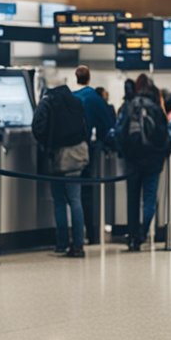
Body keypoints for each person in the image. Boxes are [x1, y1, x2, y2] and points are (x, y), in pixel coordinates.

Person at [32, 78, 89, 258]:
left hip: (58, 156)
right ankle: (78, 244)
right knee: (75, 200)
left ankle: (62, 243)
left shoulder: (48, 102)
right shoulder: (76, 101)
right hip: (78, 153)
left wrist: (47, 142)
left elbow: (37, 128)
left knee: (59, 201)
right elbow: (85, 126)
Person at [116, 74, 171, 251]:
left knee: (132, 199)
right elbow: (164, 135)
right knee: (149, 199)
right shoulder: (156, 107)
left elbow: (120, 132)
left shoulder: (129, 106)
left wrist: (123, 152)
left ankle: (132, 238)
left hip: (132, 160)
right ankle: (142, 233)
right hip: (153, 160)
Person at [72, 65, 116, 244]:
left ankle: (75, 234)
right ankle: (91, 232)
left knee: (72, 193)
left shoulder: (72, 97)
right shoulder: (94, 98)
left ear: (76, 78)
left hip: (69, 149)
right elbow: (108, 123)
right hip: (88, 150)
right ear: (89, 78)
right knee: (87, 192)